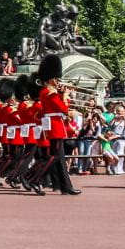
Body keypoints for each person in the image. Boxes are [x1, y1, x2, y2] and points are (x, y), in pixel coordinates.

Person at [27, 55, 81, 195]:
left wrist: (61, 94)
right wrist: (66, 97)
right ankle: (34, 178)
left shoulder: (48, 92)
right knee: (54, 157)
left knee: (60, 159)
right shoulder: (50, 93)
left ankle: (66, 187)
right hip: (55, 126)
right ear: (51, 79)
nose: (58, 82)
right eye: (57, 79)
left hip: (54, 125)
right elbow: (62, 108)